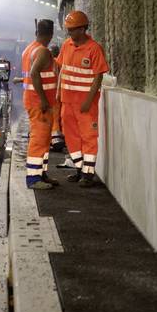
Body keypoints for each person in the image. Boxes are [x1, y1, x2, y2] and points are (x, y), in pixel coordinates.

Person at [56, 10, 109, 187]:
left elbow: (98, 76)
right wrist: (58, 94)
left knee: (88, 137)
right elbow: (61, 69)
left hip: (86, 104)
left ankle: (88, 174)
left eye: (72, 29)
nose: (69, 33)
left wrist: (88, 100)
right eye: (68, 29)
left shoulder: (94, 48)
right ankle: (79, 169)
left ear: (82, 29)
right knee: (71, 137)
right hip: (67, 102)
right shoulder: (66, 46)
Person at [21, 19, 59, 190]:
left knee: (44, 139)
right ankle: (33, 179)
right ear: (50, 35)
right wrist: (44, 100)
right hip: (40, 103)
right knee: (39, 139)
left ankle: (41, 174)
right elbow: (34, 73)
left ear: (37, 32)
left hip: (33, 100)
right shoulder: (42, 52)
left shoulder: (29, 49)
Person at [48, 44, 65, 152]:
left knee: (53, 120)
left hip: (51, 95)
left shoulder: (50, 64)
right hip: (60, 95)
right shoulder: (60, 64)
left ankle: (55, 141)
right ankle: (60, 139)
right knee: (59, 119)